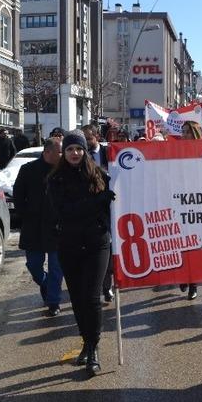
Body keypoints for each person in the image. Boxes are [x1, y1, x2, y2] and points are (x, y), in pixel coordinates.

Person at [47, 130, 114, 377]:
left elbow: (115, 203)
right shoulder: (55, 180)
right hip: (70, 245)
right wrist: (98, 202)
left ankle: (94, 347)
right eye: (70, 149)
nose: (74, 153)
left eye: (79, 149)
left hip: (97, 243)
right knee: (77, 298)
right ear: (64, 153)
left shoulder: (100, 176)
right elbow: (66, 212)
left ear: (85, 151)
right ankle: (86, 341)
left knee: (92, 297)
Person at [14, 137, 63, 317]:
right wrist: (26, 214)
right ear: (47, 152)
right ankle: (45, 284)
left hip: (57, 228)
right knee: (34, 266)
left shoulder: (65, 171)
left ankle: (54, 302)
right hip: (33, 228)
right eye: (59, 151)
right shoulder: (28, 170)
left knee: (57, 268)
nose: (62, 155)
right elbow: (18, 196)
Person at [81, 124, 113, 303]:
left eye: (88, 139)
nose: (86, 143)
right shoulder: (79, 158)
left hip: (109, 207)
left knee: (107, 251)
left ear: (97, 137)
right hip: (89, 210)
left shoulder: (110, 152)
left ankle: (106, 287)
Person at [177, 121, 202, 300]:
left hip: (198, 206)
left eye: (187, 132)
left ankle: (193, 283)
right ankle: (182, 275)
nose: (184, 135)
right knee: (179, 244)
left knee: (194, 246)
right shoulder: (174, 151)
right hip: (178, 204)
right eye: (183, 132)